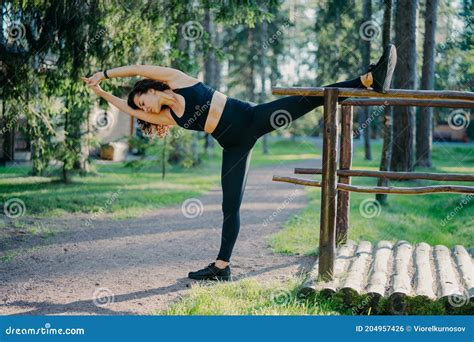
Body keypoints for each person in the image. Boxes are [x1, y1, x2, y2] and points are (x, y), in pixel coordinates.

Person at [82, 44, 397, 281]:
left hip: (253, 119)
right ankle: (222, 267)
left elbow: (139, 67)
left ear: (151, 88)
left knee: (309, 99)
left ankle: (369, 78)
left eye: (143, 100)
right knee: (230, 206)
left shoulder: (176, 80)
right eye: (142, 107)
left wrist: (105, 74)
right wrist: (100, 91)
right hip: (233, 145)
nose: (144, 108)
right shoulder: (169, 115)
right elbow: (127, 109)